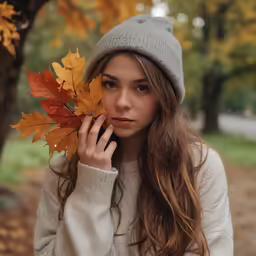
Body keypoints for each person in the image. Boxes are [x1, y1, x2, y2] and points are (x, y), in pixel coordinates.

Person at [34, 16, 233, 256]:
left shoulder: (199, 167)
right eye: (110, 85)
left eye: (142, 87)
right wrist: (92, 183)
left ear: (165, 96)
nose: (122, 102)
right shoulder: (65, 169)